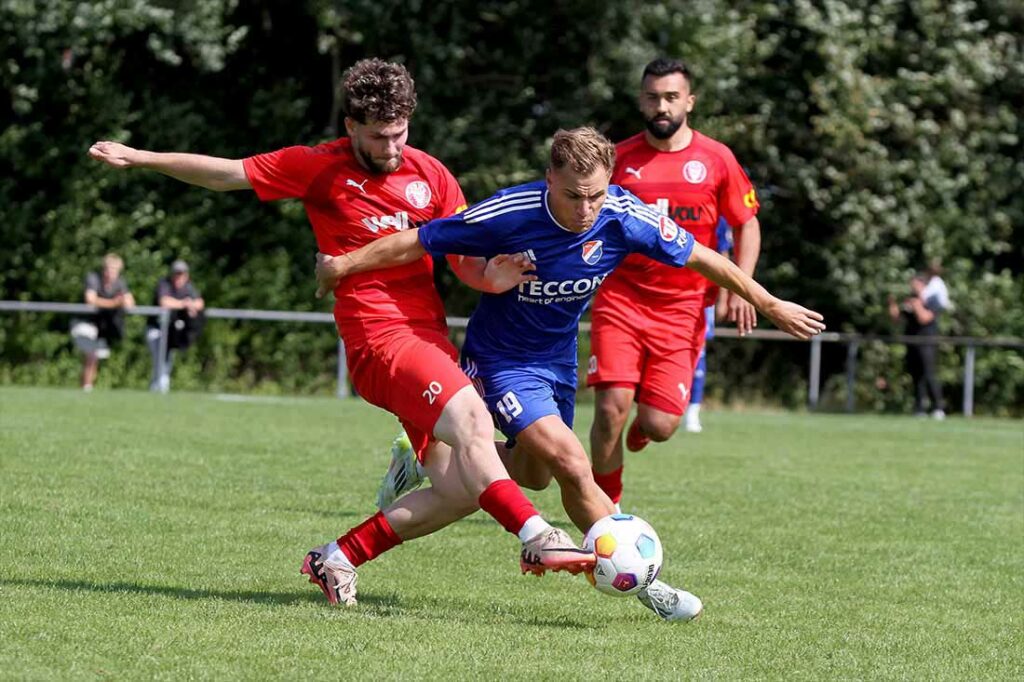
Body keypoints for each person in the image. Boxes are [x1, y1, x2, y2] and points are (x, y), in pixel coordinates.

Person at [89, 58, 592, 608]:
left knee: (460, 489)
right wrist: (139, 157)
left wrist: (489, 277)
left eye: (400, 133)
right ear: (350, 126)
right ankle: (537, 537)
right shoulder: (316, 167)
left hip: (429, 340)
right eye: (379, 137)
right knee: (474, 421)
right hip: (378, 338)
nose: (393, 148)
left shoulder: (432, 175)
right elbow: (225, 171)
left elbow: (464, 257)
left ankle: (337, 558)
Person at [316, 127, 826, 620]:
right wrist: (343, 266)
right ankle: (649, 585)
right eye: (573, 196)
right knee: (573, 461)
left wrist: (766, 300)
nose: (586, 210)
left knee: (534, 474)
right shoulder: (511, 211)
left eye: (596, 196)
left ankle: (422, 464)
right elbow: (418, 240)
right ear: (548, 180)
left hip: (557, 364)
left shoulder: (624, 215)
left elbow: (701, 255)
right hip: (501, 362)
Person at [586, 57, 764, 510]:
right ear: (641, 101)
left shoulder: (716, 158)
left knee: (661, 425)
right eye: (652, 97)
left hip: (684, 307)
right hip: (621, 299)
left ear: (689, 101)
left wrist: (739, 287)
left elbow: (746, 224)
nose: (661, 106)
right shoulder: (618, 160)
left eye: (670, 97)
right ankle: (607, 515)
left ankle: (646, 425)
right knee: (610, 410)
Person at [685, 217, 733, 433]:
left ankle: (693, 412)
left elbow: (723, 255)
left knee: (698, 353)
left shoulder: (716, 216)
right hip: (661, 291)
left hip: (702, 296)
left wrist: (723, 299)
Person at [70, 253, 135, 391]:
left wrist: (123, 301)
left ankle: (86, 386)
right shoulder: (93, 278)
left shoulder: (120, 282)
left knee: (95, 358)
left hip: (101, 327)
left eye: (114, 269)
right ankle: (86, 387)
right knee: (92, 355)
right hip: (84, 322)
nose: (110, 272)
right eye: (108, 268)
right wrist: (114, 303)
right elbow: (91, 299)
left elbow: (130, 303)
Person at [889, 273, 946, 419]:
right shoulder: (910, 300)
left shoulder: (932, 300)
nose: (912, 287)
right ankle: (919, 408)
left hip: (927, 343)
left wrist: (917, 304)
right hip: (912, 343)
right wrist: (892, 303)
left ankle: (938, 408)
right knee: (916, 376)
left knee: (929, 375)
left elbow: (924, 318)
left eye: (915, 284)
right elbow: (896, 319)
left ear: (923, 285)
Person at [146, 259, 205, 393]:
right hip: (156, 329)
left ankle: (158, 388)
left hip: (172, 332)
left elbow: (200, 303)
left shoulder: (189, 287)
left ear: (186, 275)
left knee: (167, 360)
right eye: (176, 274)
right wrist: (184, 304)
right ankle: (159, 388)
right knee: (159, 359)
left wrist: (189, 304)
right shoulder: (164, 284)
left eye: (182, 274)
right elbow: (164, 301)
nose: (179, 277)